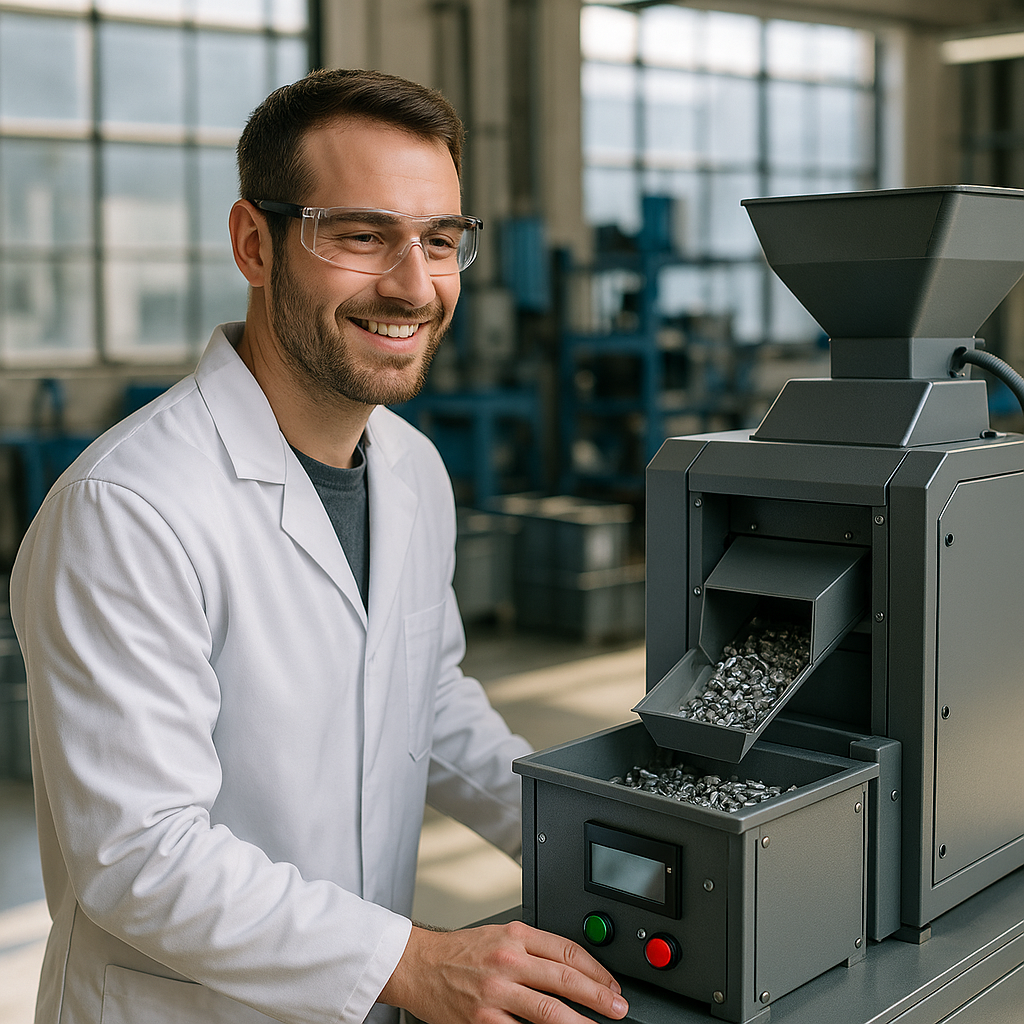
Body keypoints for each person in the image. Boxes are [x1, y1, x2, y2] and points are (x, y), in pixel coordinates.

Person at [10, 68, 629, 1024]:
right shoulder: (129, 507)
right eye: (361, 234)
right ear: (254, 244)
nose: (413, 285)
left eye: (438, 240)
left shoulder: (413, 468)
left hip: (356, 990)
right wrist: (414, 963)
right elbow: (138, 857)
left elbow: (426, 694)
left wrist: (580, 839)